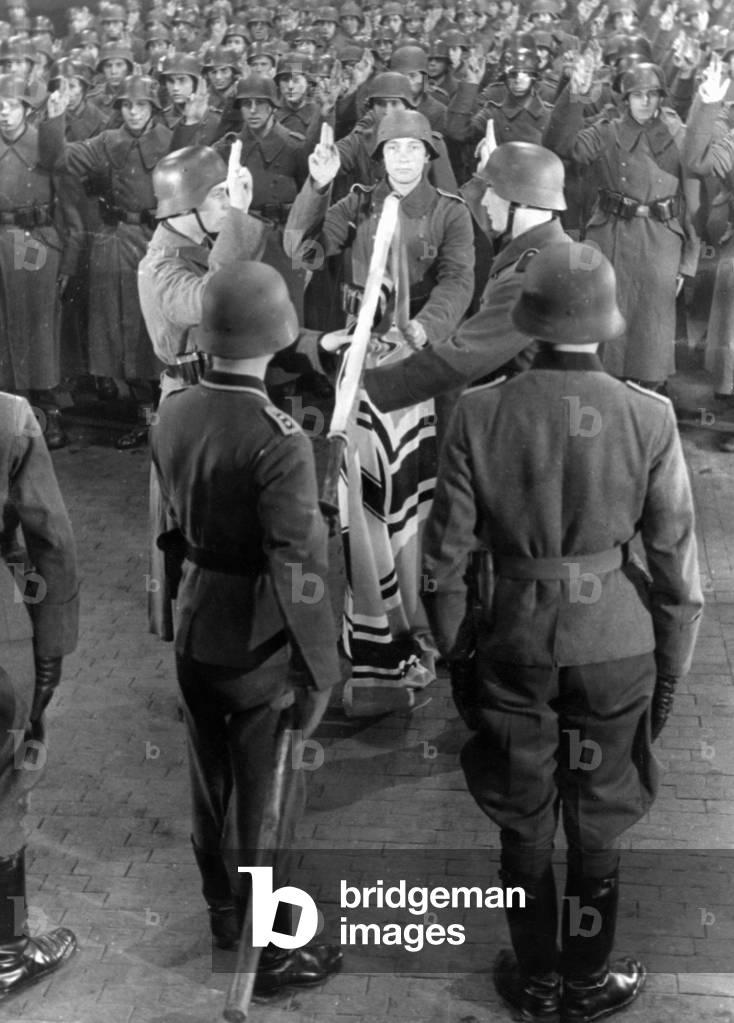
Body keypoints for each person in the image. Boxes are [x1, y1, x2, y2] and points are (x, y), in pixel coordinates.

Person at [421, 241, 703, 1023]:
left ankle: (536, 975)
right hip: (617, 641)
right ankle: (588, 977)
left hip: (514, 636)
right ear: (607, 326)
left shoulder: (479, 412)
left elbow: (443, 560)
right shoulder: (650, 416)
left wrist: (457, 648)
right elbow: (679, 568)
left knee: (522, 809)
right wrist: (672, 665)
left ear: (528, 324)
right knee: (601, 810)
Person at [150, 261, 343, 995]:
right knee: (264, 803)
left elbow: (174, 516)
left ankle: (225, 916)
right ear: (274, 337)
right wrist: (322, 667)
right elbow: (298, 568)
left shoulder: (173, 411)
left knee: (211, 785)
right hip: (258, 639)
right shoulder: (282, 438)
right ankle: (275, 955)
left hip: (197, 625)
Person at [285, 110, 474, 715]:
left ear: (427, 155)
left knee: (408, 505)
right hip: (357, 369)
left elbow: (456, 283)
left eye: (411, 150)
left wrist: (418, 331)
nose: (400, 160)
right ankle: (369, 632)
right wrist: (316, 189)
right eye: (391, 149)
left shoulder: (449, 211)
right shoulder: (357, 202)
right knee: (361, 506)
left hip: (413, 374)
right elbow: (305, 250)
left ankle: (412, 628)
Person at [359, 141, 571, 415]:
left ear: (519, 201)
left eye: (492, 190)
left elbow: (466, 354)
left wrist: (372, 385)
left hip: (519, 418)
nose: (484, 200)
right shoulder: (548, 248)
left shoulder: (532, 273)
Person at [543, 60, 699, 392]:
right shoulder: (606, 132)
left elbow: (691, 197)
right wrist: (575, 96)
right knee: (608, 314)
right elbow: (560, 145)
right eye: (637, 94)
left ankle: (649, 391)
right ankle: (607, 390)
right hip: (611, 232)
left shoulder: (677, 134)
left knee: (653, 323)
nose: (645, 101)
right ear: (624, 98)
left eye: (653, 94)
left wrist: (688, 260)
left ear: (661, 97)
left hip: (661, 238)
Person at [0, 392, 79, 998]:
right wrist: (50, 647)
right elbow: (50, 539)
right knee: (4, 786)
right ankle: (6, 953)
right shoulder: (9, 416)